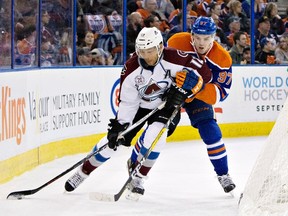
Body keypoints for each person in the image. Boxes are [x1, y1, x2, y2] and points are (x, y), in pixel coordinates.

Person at [65, 27, 212, 200]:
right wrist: (120, 125)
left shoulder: (175, 57)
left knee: (156, 136)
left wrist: (191, 88)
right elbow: (128, 102)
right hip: (139, 107)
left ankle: (139, 178)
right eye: (142, 51)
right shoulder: (130, 68)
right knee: (113, 142)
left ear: (159, 48)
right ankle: (83, 171)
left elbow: (205, 73)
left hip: (166, 106)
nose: (146, 56)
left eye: (150, 51)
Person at [165, 16, 236, 194]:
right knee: (159, 128)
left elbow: (221, 93)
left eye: (206, 38)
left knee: (211, 130)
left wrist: (198, 88)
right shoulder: (176, 41)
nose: (201, 43)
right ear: (192, 35)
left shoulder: (222, 58)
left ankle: (223, 174)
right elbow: (162, 67)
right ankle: (137, 170)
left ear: (214, 37)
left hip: (197, 95)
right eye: (197, 37)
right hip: (172, 91)